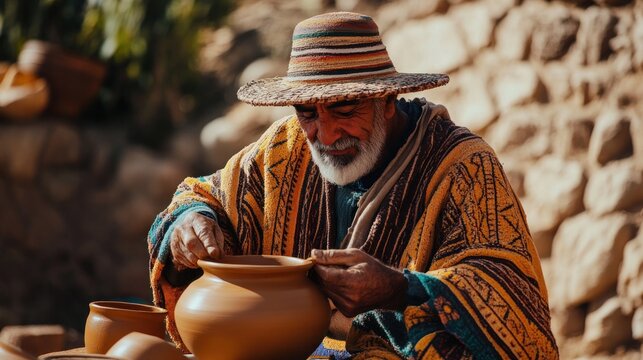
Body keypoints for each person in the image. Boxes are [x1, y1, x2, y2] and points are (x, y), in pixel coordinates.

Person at [148, 11, 558, 359]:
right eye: (307, 113)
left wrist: (401, 289)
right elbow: (204, 195)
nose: (325, 135)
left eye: (344, 108)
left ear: (386, 100)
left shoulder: (463, 168)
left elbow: (512, 296)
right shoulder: (285, 146)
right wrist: (193, 220)